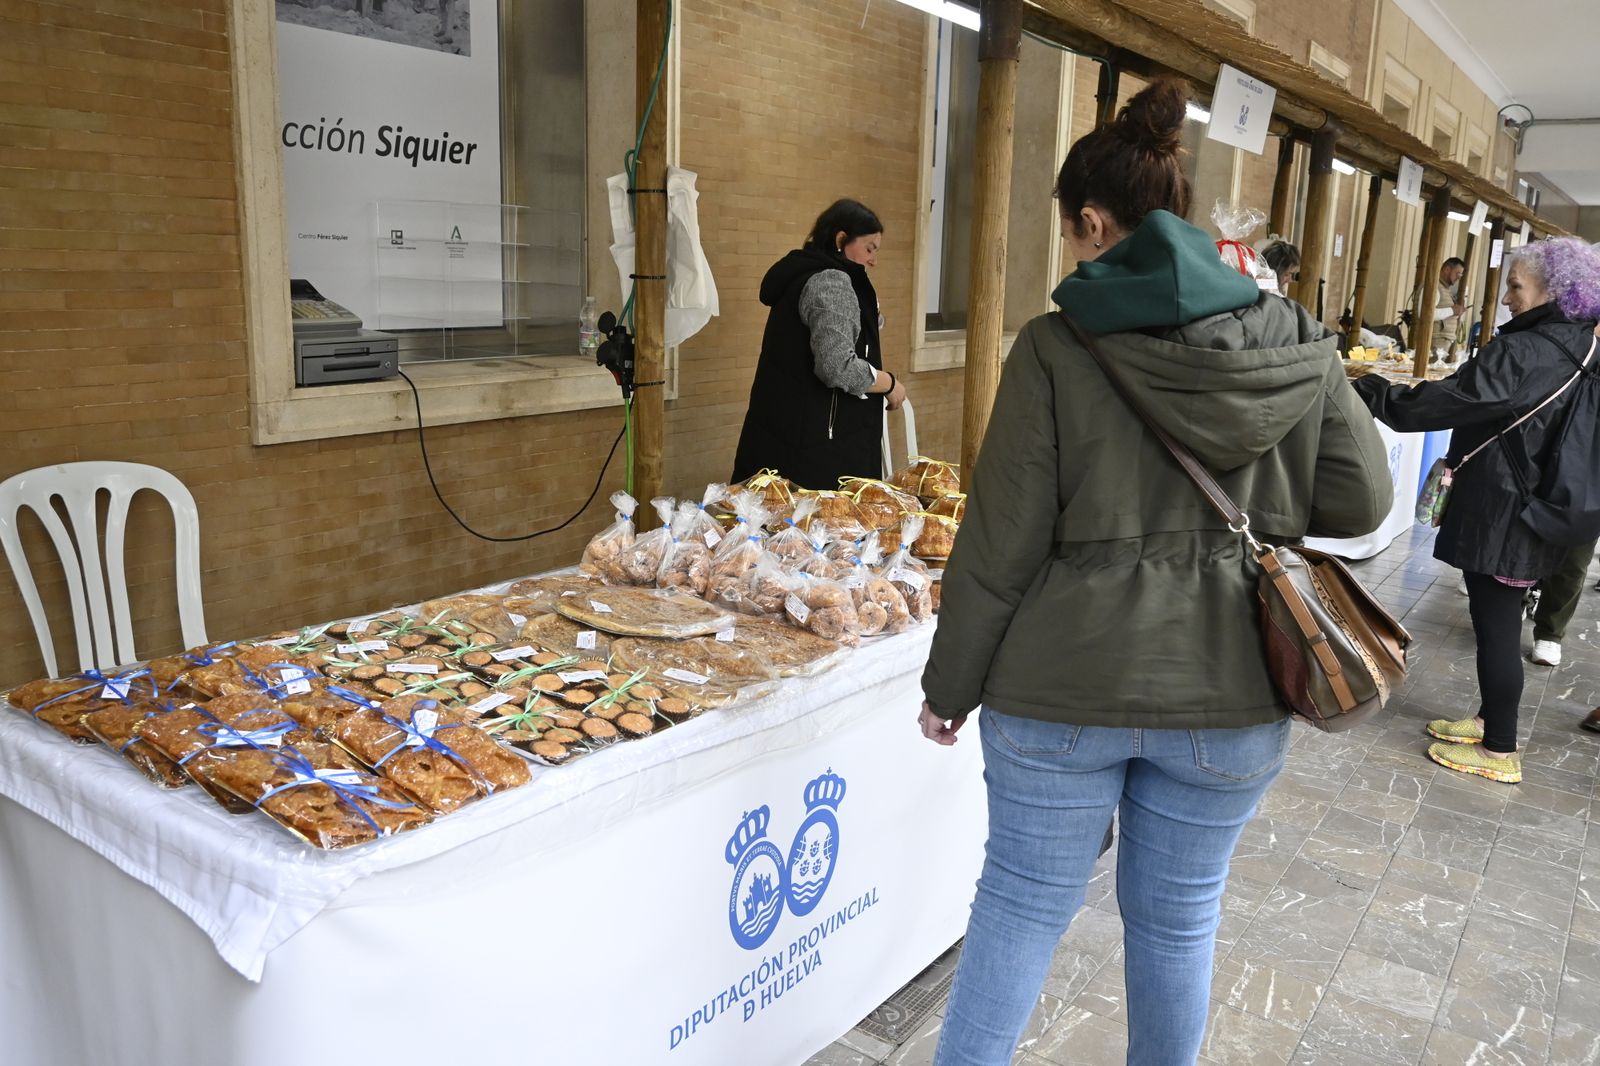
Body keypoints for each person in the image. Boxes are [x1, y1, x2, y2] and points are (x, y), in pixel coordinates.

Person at [916, 80, 1391, 1066]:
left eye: (1067, 236)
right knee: (1176, 923)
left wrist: (947, 686)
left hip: (1057, 688)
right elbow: (1360, 504)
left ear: (1093, 222)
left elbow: (999, 542)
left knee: (1018, 907)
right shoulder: (1293, 335)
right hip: (1230, 693)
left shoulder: (1053, 346)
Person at [1353, 237, 1600, 782]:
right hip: (1538, 506)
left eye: (1516, 286)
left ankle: (1498, 750)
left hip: (1508, 511)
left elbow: (1454, 399)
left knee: (1496, 625)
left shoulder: (1525, 351)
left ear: (1553, 292)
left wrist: (1374, 394)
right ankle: (1491, 719)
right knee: (1496, 621)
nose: (1507, 297)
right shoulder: (1582, 345)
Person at [731, 199, 907, 490]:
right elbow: (836, 366)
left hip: (786, 434)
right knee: (814, 531)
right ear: (841, 239)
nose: (874, 259)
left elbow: (832, 331)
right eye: (870, 248)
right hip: (816, 452)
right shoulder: (831, 281)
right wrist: (888, 383)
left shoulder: (807, 273)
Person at [1419, 256, 1467, 362]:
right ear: (1447, 269)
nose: (1459, 277)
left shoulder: (1443, 288)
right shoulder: (1434, 287)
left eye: (1461, 274)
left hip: (1442, 342)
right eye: (1458, 273)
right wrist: (1452, 310)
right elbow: (1425, 313)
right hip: (1434, 342)